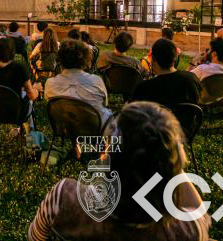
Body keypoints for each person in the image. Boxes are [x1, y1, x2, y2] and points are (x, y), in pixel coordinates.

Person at [29, 101, 211, 241]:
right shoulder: (188, 232)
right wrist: (171, 161)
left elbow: (35, 237)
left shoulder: (63, 197)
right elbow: (200, 212)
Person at [44, 39, 111, 125]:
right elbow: (105, 103)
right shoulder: (96, 81)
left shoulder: (50, 83)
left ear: (60, 59)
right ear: (86, 59)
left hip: (64, 127)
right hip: (94, 127)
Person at [0, 38, 38, 128]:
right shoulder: (19, 68)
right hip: (14, 114)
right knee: (29, 101)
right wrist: (36, 89)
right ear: (13, 51)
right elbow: (31, 96)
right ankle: (31, 137)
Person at [132, 38, 201, 109]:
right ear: (175, 58)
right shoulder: (192, 79)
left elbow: (131, 112)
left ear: (153, 60)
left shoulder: (144, 88)